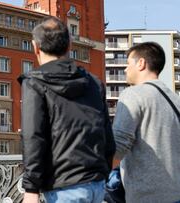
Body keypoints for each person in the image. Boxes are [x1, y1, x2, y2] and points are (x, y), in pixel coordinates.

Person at [18, 16, 115, 203]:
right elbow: (107, 137)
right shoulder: (94, 83)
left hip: (62, 188)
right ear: (69, 45)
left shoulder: (35, 83)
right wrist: (102, 174)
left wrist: (31, 189)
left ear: (35, 47)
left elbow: (33, 137)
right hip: (96, 185)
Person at [113, 42, 180, 202]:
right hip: (175, 192)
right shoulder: (175, 99)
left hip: (146, 195)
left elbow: (118, 145)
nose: (125, 69)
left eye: (128, 63)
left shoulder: (133, 94)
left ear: (141, 63)